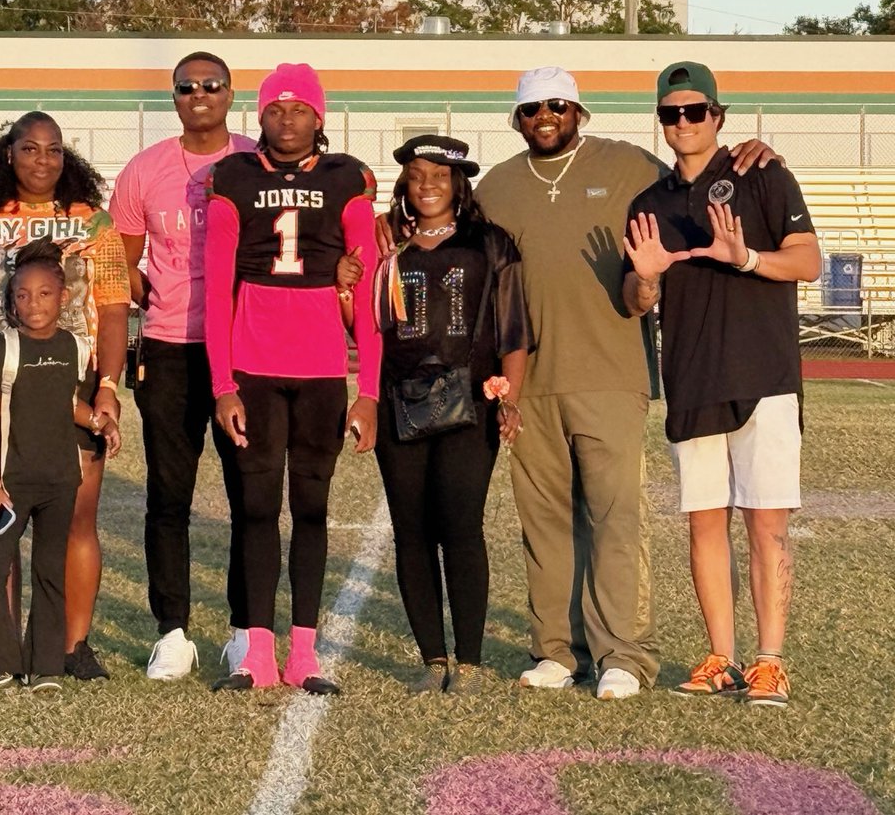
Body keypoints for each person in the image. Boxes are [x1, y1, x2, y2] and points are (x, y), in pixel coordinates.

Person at [370, 67, 779, 699]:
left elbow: (694, 179)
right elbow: (442, 229)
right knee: (545, 521)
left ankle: (623, 653)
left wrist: (753, 152)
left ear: (578, 111)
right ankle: (556, 649)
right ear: (517, 118)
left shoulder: (630, 166)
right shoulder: (500, 186)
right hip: (527, 381)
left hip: (612, 372)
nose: (545, 115)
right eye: (531, 108)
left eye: (557, 104)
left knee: (615, 516)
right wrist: (388, 228)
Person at [623, 62, 820, 708]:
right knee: (704, 525)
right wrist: (647, 277)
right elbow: (634, 299)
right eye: (671, 114)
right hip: (692, 379)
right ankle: (722, 656)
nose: (683, 123)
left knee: (766, 525)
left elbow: (808, 260)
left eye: (695, 111)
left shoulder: (761, 174)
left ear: (719, 115)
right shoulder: (649, 205)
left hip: (764, 377)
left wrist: (748, 258)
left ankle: (770, 660)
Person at [205, 63, 380, 695]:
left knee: (311, 509)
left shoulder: (348, 179)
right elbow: (221, 283)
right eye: (275, 109)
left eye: (299, 109)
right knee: (255, 509)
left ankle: (303, 652)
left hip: (322, 369)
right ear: (260, 116)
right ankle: (256, 651)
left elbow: (368, 295)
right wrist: (223, 385)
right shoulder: (233, 177)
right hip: (252, 362)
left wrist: (371, 391)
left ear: (319, 117)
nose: (287, 119)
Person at [0, 111, 130, 682]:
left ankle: (70, 646)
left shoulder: (93, 223)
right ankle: (5, 654)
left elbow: (116, 308)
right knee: (1, 521)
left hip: (73, 383)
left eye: (52, 150)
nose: (42, 160)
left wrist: (110, 387)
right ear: (9, 155)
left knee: (74, 521)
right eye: (29, 149)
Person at [108, 51, 255, 680]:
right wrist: (159, 293)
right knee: (169, 498)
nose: (199, 94)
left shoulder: (255, 160)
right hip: (170, 348)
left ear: (229, 93)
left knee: (252, 496)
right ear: (174, 97)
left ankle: (246, 629)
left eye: (211, 85)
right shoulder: (145, 170)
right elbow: (122, 263)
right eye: (187, 87)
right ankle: (173, 632)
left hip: (247, 349)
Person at [370, 135, 532, 695]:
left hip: (471, 402)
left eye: (440, 174)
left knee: (461, 528)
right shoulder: (387, 246)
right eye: (417, 175)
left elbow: (514, 330)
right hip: (400, 402)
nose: (428, 185)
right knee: (411, 532)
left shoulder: (490, 243)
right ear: (405, 185)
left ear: (459, 182)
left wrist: (509, 396)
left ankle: (471, 660)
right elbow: (365, 327)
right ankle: (431, 658)